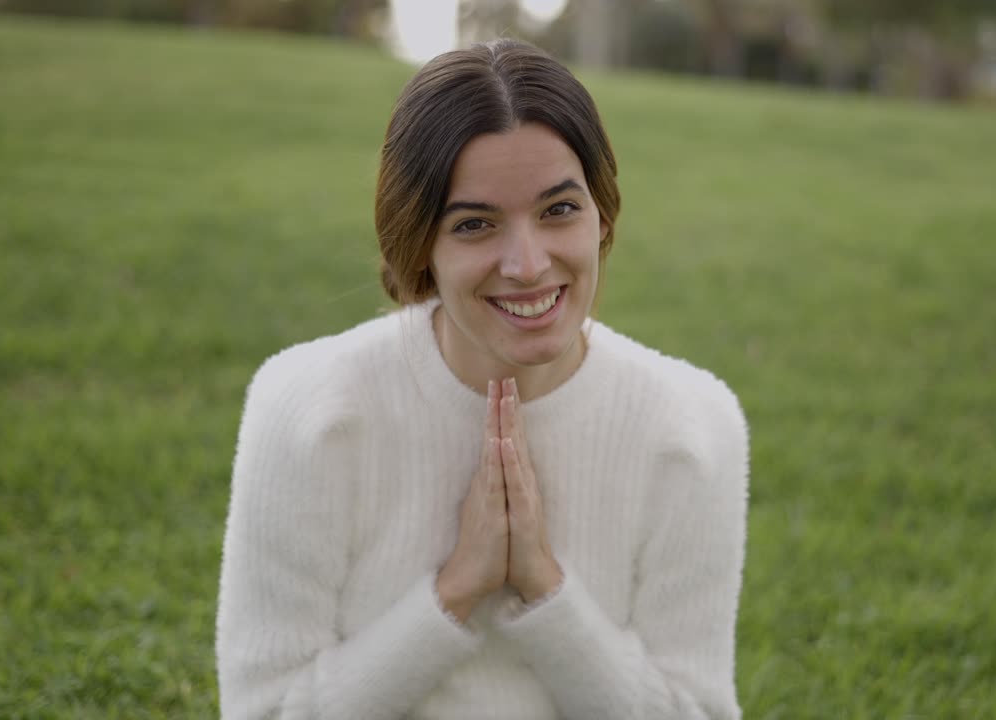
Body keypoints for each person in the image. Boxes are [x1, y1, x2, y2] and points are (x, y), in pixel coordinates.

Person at [215, 38, 749, 720]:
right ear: (420, 247)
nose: (527, 264)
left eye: (559, 209)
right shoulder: (308, 406)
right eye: (474, 224)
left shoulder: (693, 425)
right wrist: (454, 593)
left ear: (603, 216)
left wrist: (545, 590)